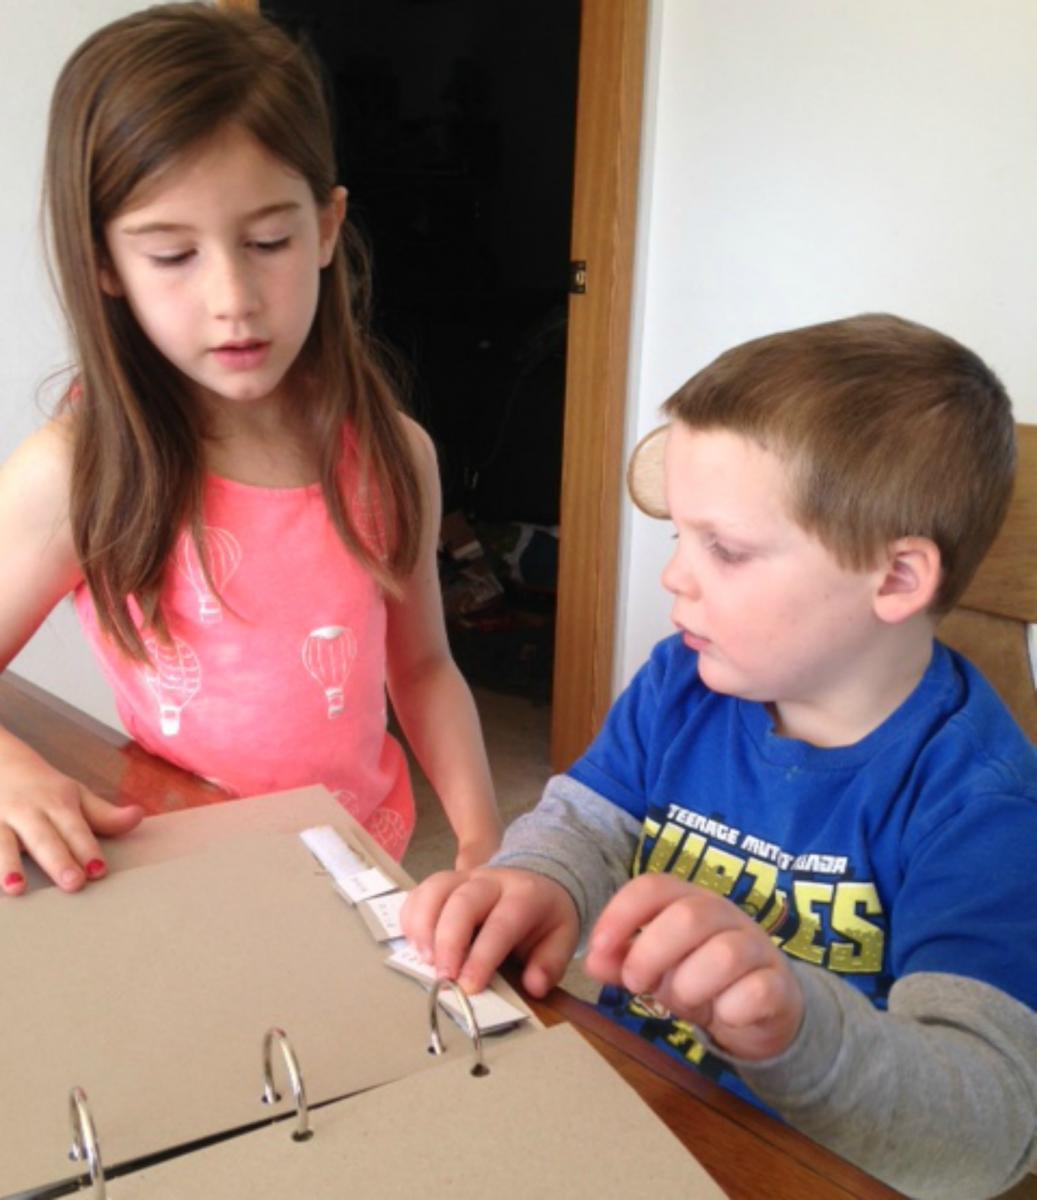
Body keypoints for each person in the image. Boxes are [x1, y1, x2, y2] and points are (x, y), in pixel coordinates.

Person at [403, 314, 1037, 1198]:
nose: (674, 576)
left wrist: (796, 1030)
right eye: (679, 534)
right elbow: (585, 821)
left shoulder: (981, 803)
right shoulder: (684, 683)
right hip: (641, 1110)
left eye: (725, 549)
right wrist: (535, 880)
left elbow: (992, 1131)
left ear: (894, 580)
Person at [0, 3, 501, 897]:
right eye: (172, 254)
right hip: (179, 864)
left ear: (324, 228)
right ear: (105, 262)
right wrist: (14, 770)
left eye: (267, 241)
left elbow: (422, 666)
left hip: (364, 859)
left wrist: (480, 839)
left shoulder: (396, 455)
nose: (233, 297)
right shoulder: (80, 470)